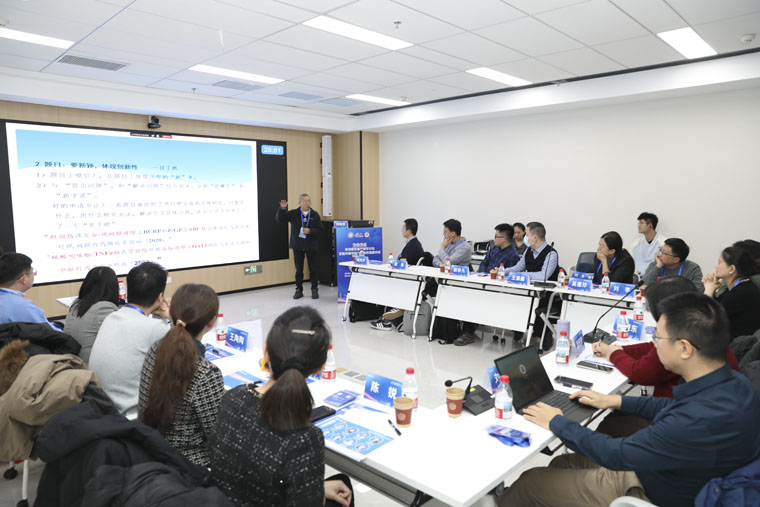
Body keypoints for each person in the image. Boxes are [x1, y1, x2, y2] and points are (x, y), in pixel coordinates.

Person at [498, 292, 760, 507]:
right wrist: (615, 401)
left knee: (530, 483)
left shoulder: (694, 421)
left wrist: (557, 421)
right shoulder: (736, 384)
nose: (655, 345)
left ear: (684, 348)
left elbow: (616, 454)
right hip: (668, 470)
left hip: (650, 489)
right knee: (561, 463)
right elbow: (670, 405)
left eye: (657, 337)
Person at [210, 306, 354, 507]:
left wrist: (317, 488)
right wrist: (316, 491)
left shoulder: (233, 397)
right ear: (321, 368)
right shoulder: (305, 438)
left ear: (266, 353)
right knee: (343, 486)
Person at [592, 277, 739, 437]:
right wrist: (621, 349)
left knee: (610, 426)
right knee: (618, 412)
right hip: (687, 410)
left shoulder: (681, 344)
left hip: (679, 424)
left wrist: (613, 353)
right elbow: (654, 347)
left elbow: (640, 373)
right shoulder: (700, 328)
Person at [139, 283, 224, 467]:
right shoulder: (207, 373)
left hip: (151, 452)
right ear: (211, 322)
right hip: (190, 466)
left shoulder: (155, 350)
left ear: (172, 314)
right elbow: (218, 438)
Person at [89, 262, 171, 416]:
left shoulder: (111, 317)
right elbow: (187, 351)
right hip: (133, 417)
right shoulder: (154, 328)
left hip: (102, 409)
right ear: (160, 297)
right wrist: (171, 317)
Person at [453, 223, 521, 346]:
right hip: (484, 283)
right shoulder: (494, 249)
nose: (493, 239)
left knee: (476, 300)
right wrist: (485, 275)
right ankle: (464, 329)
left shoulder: (513, 256)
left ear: (504, 239)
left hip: (499, 290)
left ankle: (467, 333)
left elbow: (509, 278)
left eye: (496, 236)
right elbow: (483, 264)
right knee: (467, 294)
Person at [504, 222, 559, 347]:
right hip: (529, 290)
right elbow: (519, 267)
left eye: (527, 235)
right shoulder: (529, 250)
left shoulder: (551, 253)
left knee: (532, 305)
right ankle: (518, 329)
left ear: (535, 237)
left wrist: (524, 275)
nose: (525, 238)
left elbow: (543, 276)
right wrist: (503, 271)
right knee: (513, 299)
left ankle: (544, 333)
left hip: (546, 294)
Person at [370, 218, 424, 331]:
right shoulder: (413, 244)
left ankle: (388, 321)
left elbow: (403, 264)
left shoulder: (412, 245)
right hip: (409, 279)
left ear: (409, 230)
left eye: (403, 228)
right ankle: (388, 318)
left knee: (385, 284)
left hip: (408, 281)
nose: (401, 230)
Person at [63, 266, 120, 364]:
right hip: (88, 366)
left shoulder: (76, 304)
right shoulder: (104, 308)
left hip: (72, 362)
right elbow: (120, 338)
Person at [703, 246, 760, 339]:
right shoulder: (738, 287)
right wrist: (712, 290)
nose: (716, 266)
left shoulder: (743, 292)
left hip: (736, 345)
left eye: (719, 262)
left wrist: (708, 290)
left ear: (731, 269)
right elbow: (716, 306)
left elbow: (705, 319)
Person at [276, 194, 323, 300]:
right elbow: (280, 219)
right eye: (305, 201)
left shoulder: (315, 215)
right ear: (300, 203)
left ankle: (314, 289)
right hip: (298, 245)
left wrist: (310, 231)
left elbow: (320, 230)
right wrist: (282, 209)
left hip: (311, 246)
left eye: (309, 201)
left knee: (313, 269)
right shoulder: (294, 213)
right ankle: (298, 290)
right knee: (299, 270)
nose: (308, 203)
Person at [0, 252, 56, 328]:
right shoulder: (23, 307)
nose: (34, 275)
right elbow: (51, 332)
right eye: (33, 272)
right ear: (24, 279)